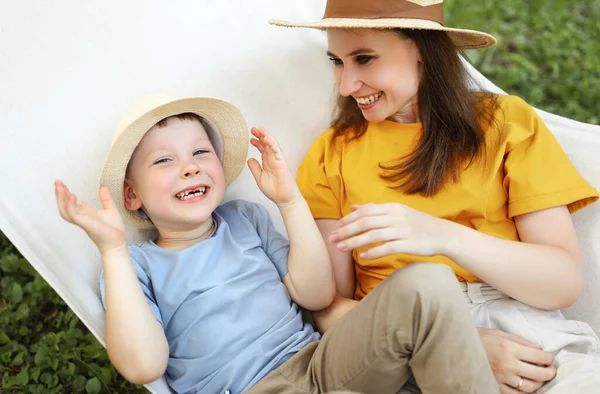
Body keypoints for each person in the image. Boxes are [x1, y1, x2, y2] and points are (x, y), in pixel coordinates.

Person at [54, 94, 500, 394]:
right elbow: (142, 366)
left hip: (322, 364)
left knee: (430, 280)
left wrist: (288, 202)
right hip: (251, 389)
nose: (189, 168)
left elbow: (316, 294)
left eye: (200, 153)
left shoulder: (243, 218)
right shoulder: (135, 267)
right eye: (165, 160)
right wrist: (111, 250)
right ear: (132, 196)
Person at [270, 0, 600, 393]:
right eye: (337, 62)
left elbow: (562, 282)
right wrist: (456, 341)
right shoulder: (332, 154)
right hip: (404, 343)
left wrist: (441, 235)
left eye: (364, 58)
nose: (346, 85)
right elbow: (329, 307)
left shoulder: (507, 123)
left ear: (424, 53)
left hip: (524, 332)